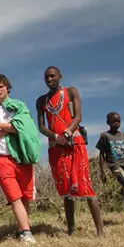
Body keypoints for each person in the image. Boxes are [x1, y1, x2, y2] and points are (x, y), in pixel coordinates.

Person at [36, 67, 103, 236]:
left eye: (52, 76)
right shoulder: (41, 101)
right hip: (56, 147)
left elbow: (78, 116)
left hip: (75, 144)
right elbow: (42, 126)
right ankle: (71, 230)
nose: (49, 79)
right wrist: (56, 136)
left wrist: (67, 133)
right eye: (46, 77)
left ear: (60, 76)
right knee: (66, 190)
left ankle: (100, 231)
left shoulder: (71, 91)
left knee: (86, 185)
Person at [0, 74, 37, 244]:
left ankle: (22, 229)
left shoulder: (19, 106)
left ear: (7, 88)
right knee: (14, 197)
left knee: (26, 196)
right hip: (2, 157)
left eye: (1, 86)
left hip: (22, 156)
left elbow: (25, 128)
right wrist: (10, 128)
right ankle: (27, 232)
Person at [97, 112, 124, 222]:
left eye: (118, 121)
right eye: (113, 121)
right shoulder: (105, 136)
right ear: (108, 122)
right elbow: (101, 154)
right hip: (115, 165)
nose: (116, 123)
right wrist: (102, 171)